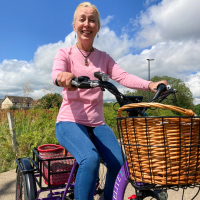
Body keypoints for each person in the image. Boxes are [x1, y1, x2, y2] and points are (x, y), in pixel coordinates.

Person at [51, 2, 167, 200]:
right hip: (69, 121)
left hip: (97, 123)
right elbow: (57, 73)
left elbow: (123, 76)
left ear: (98, 27)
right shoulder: (65, 53)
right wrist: (62, 77)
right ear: (74, 25)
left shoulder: (104, 58)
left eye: (92, 20)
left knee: (120, 164)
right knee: (90, 159)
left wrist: (150, 84)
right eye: (82, 19)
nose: (87, 24)